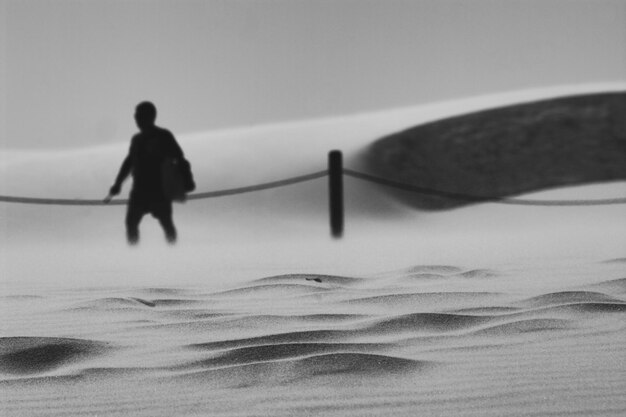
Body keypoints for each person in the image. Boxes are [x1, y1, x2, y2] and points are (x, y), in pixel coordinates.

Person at [107, 101, 186, 245]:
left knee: (166, 224)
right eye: (136, 116)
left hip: (159, 190)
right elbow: (129, 162)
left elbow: (178, 157)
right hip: (140, 191)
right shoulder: (137, 140)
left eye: (139, 116)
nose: (136, 119)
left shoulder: (164, 136)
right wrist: (117, 184)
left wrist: (180, 182)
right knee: (131, 224)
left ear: (149, 117)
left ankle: (174, 255)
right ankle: (134, 256)